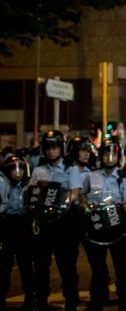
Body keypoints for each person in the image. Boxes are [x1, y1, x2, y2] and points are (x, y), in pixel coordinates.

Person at [29, 130, 82, 311]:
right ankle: (41, 300)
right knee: (41, 265)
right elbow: (31, 194)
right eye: (48, 148)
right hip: (43, 224)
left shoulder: (71, 168)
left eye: (55, 147)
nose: (51, 151)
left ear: (61, 148)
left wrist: (57, 197)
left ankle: (71, 301)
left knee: (67, 265)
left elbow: (74, 194)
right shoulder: (38, 169)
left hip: (64, 223)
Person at [81, 139, 126, 311]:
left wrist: (113, 208)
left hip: (116, 226)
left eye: (113, 154)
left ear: (118, 157)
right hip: (96, 226)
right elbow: (82, 195)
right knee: (97, 265)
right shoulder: (92, 175)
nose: (109, 157)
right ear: (101, 155)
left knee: (121, 264)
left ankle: (124, 299)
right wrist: (87, 207)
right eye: (106, 153)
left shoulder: (124, 178)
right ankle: (97, 298)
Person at [0, 156, 35, 310]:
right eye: (14, 169)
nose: (18, 173)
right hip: (6, 223)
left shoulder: (27, 186)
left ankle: (29, 296)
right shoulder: (3, 184)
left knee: (25, 263)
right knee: (4, 264)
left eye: (21, 169)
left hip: (23, 224)